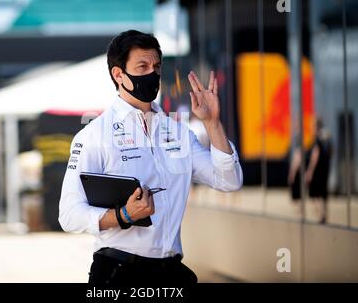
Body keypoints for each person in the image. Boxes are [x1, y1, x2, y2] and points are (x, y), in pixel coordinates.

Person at [58, 30, 243, 285]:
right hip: (118, 273)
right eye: (142, 66)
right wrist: (123, 215)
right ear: (118, 74)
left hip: (172, 272)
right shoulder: (93, 135)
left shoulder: (178, 132)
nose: (152, 74)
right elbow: (69, 215)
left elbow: (229, 181)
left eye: (156, 66)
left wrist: (212, 123)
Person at [305, 118, 332, 224]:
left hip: (318, 170)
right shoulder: (326, 137)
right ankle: (324, 214)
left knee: (315, 193)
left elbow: (315, 155)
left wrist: (310, 171)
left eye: (312, 126)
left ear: (316, 127)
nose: (311, 128)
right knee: (323, 193)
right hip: (325, 169)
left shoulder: (317, 138)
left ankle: (321, 215)